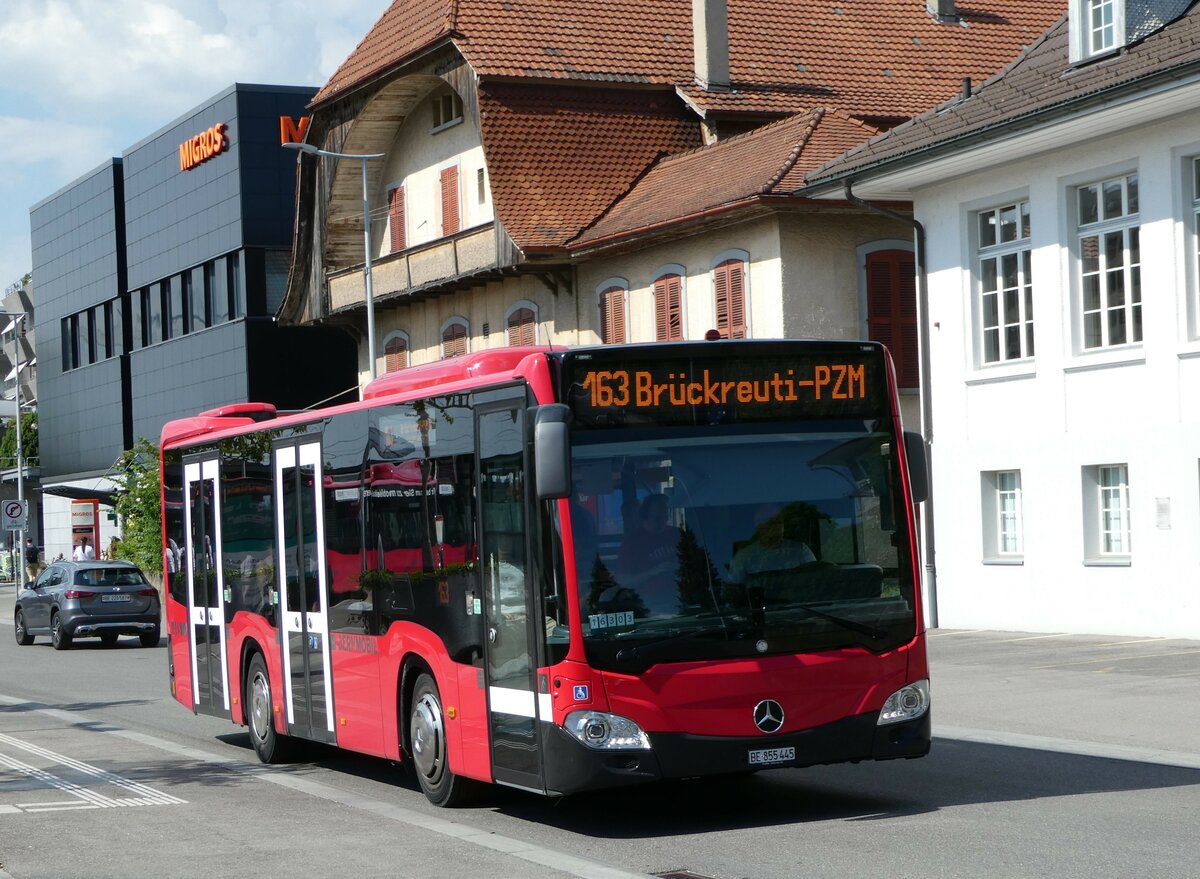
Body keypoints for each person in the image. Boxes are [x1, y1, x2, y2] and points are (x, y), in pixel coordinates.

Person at [726, 503, 816, 584]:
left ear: (783, 524)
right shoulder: (744, 557)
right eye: (765, 522)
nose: (771, 527)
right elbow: (733, 590)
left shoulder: (801, 551)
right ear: (756, 525)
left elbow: (816, 581)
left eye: (776, 521)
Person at [617, 494, 682, 576]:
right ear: (645, 516)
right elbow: (623, 580)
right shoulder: (631, 544)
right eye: (657, 518)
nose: (663, 521)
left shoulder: (677, 534)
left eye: (666, 517)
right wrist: (653, 571)